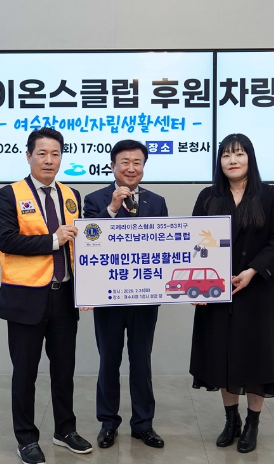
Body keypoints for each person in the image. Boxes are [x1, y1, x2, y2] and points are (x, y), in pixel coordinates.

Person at [0, 127, 93, 464]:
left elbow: (85, 243)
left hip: (64, 296)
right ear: (28, 156)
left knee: (64, 371)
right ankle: (26, 439)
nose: (49, 160)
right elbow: (7, 240)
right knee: (25, 373)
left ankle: (65, 430)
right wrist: (53, 239)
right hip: (26, 299)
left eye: (55, 154)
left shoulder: (71, 194)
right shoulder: (9, 194)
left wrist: (88, 288)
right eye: (42, 153)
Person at [189, 133, 274, 453]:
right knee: (223, 357)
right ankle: (231, 420)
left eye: (239, 154)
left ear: (250, 158)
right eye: (226, 155)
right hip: (216, 291)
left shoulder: (271, 195)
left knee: (256, 357)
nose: (232, 160)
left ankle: (252, 424)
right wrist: (196, 285)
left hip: (256, 291)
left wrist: (253, 271)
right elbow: (193, 241)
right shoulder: (208, 196)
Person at [81, 139, 169, 449]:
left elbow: (165, 245)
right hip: (108, 296)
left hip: (144, 296)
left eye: (137, 163)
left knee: (141, 362)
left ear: (143, 167)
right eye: (125, 162)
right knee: (109, 361)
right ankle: (108, 423)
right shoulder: (95, 200)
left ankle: (143, 424)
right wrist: (112, 209)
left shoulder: (157, 202)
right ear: (112, 166)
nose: (131, 168)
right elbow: (89, 241)